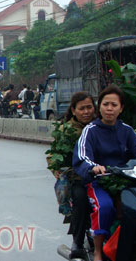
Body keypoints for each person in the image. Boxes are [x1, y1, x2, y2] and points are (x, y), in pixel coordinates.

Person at [73, 84, 136, 261]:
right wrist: (94, 168)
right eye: (106, 104)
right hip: (100, 182)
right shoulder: (90, 131)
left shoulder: (127, 131)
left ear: (121, 108)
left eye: (114, 105)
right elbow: (82, 157)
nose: (109, 108)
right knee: (104, 207)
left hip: (126, 182)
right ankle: (98, 251)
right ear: (100, 106)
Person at [47, 91, 96, 258]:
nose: (86, 112)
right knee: (81, 200)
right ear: (74, 110)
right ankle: (77, 240)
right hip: (79, 179)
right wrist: (59, 171)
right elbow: (53, 155)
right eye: (82, 108)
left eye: (89, 107)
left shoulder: (101, 126)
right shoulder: (65, 130)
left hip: (102, 177)